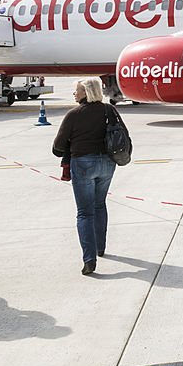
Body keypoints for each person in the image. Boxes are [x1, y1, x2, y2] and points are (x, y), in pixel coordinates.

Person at [53, 78, 118, 275]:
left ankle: (89, 259)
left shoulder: (73, 115)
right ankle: (101, 247)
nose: (74, 94)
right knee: (100, 204)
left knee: (84, 212)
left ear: (86, 93)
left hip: (83, 164)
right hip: (107, 163)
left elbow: (57, 147)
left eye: (77, 91)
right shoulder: (109, 110)